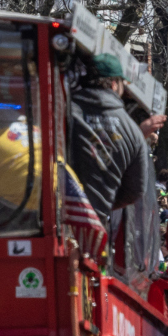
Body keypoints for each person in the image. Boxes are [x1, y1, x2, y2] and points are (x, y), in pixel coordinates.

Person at [67, 53, 149, 223]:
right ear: (113, 84)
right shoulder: (133, 131)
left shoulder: (64, 111)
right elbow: (135, 191)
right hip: (95, 227)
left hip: (54, 220)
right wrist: (102, 204)